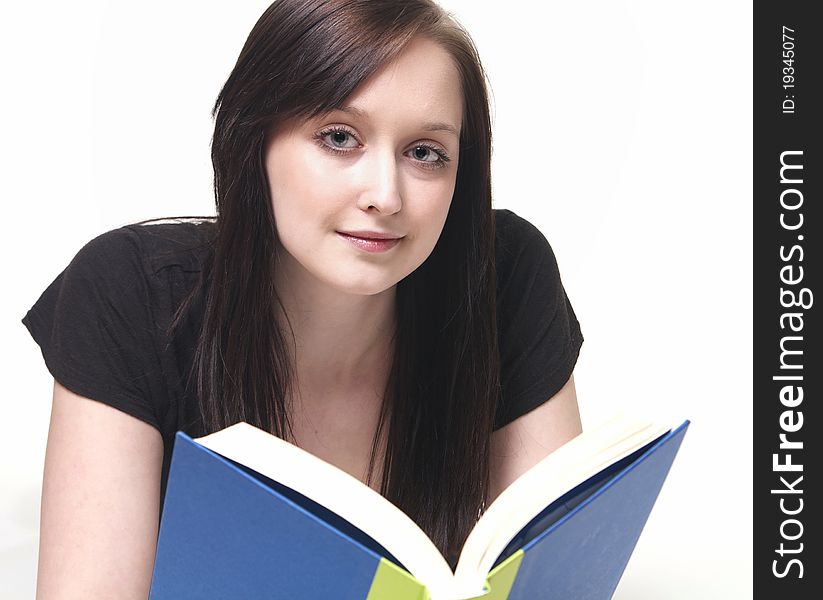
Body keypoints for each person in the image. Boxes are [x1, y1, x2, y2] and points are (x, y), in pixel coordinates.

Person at [23, 0, 584, 596]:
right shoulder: (131, 294)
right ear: (254, 142)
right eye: (339, 137)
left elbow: (554, 585)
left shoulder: (505, 281)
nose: (384, 196)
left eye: (425, 153)